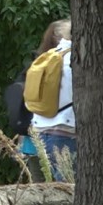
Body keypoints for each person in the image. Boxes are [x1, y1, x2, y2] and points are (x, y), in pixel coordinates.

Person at [30, 19, 75, 181]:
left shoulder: (51, 56)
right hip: (66, 132)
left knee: (60, 189)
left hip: (42, 131)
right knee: (70, 191)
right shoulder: (76, 61)